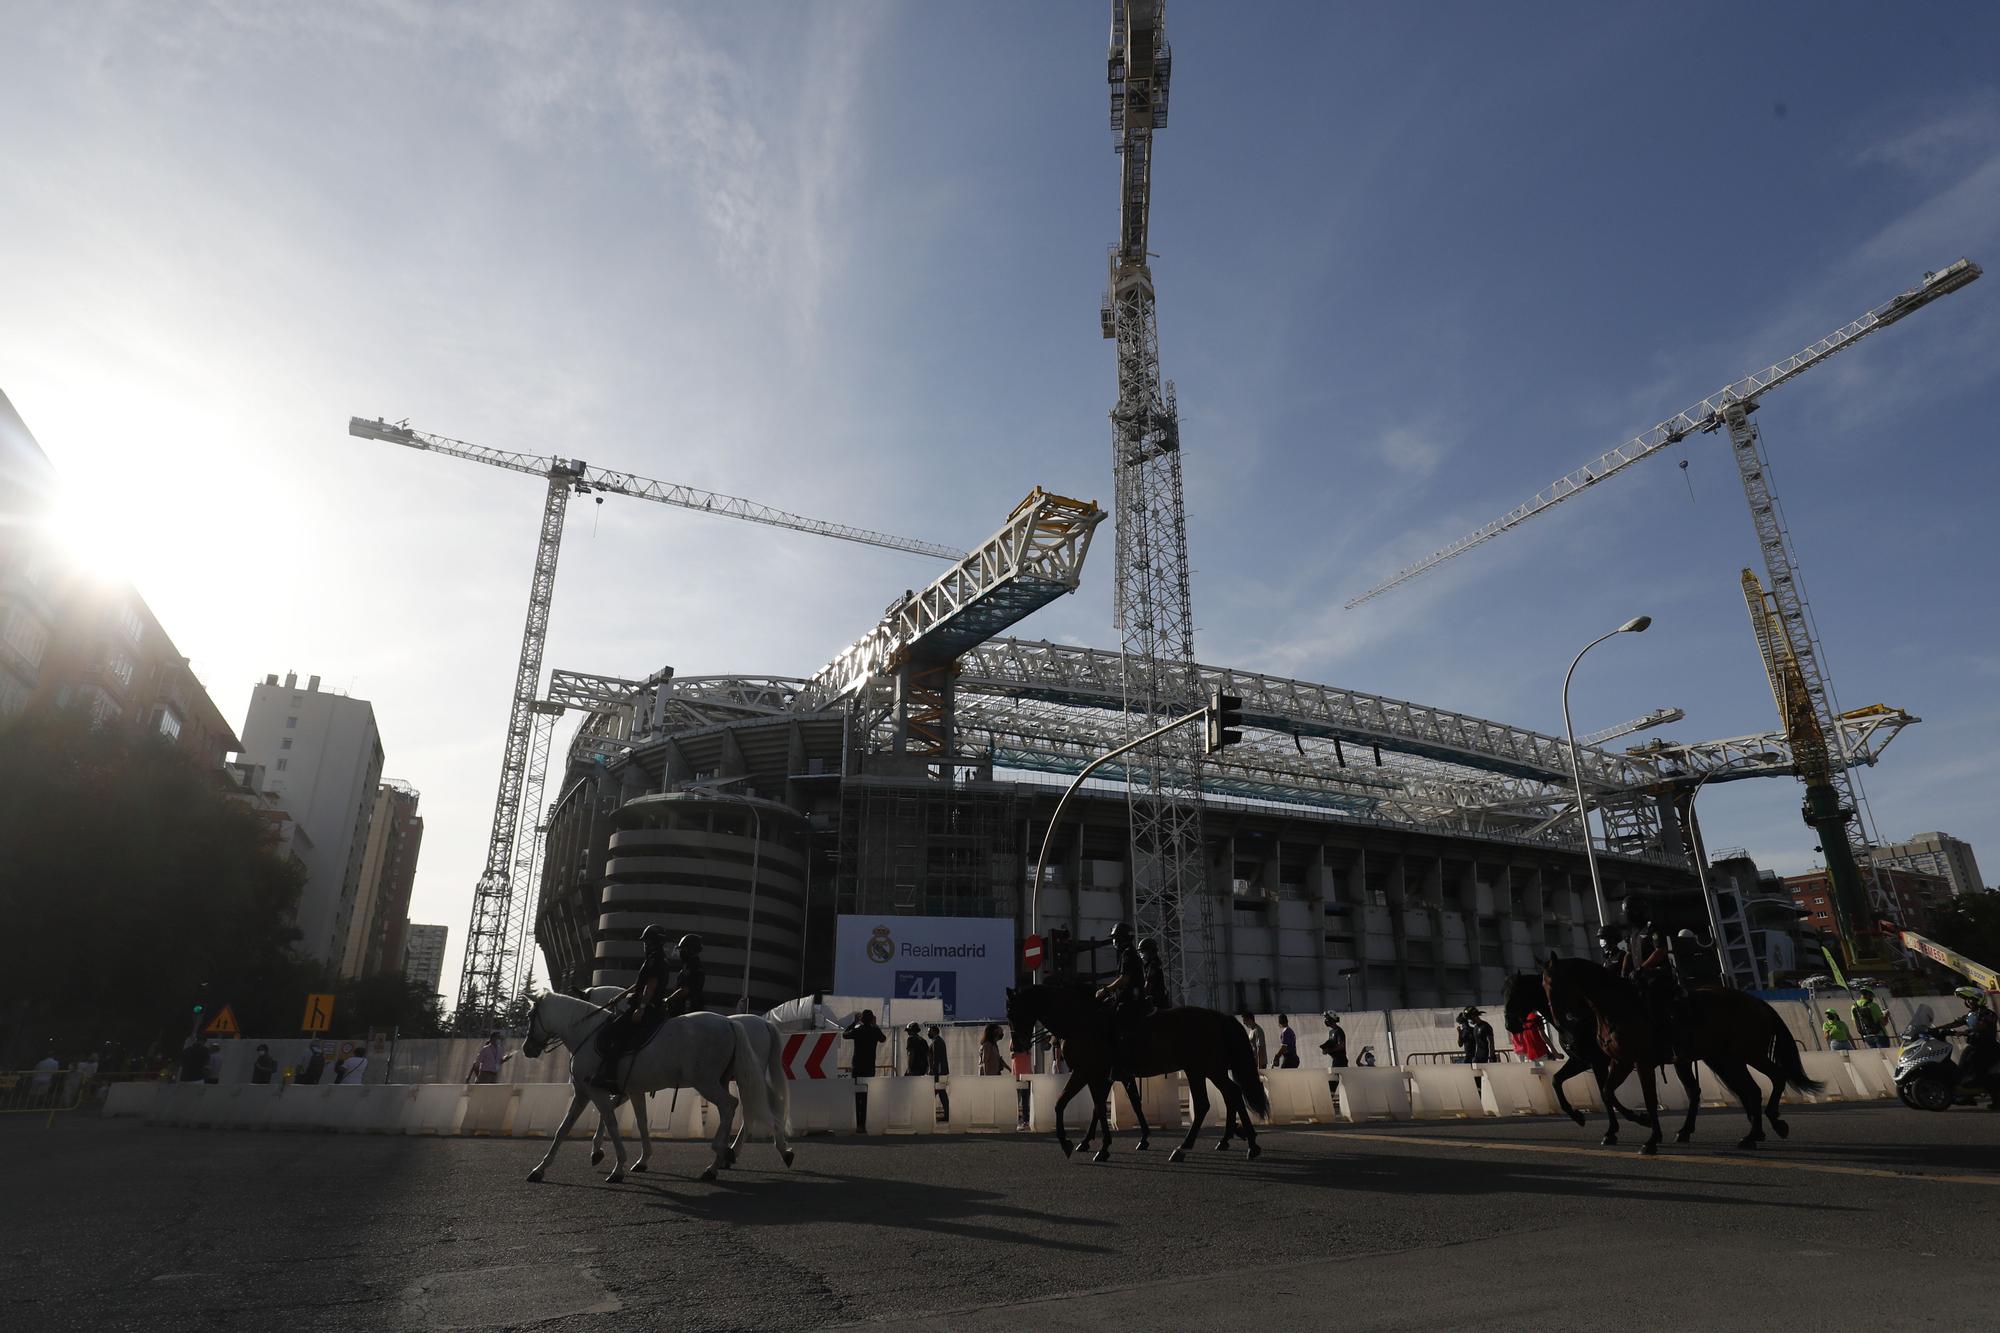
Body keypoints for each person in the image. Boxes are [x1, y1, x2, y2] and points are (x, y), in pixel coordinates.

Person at [592, 924, 676, 1092]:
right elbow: (640, 984)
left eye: (646, 941)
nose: (644, 945)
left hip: (647, 1008)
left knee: (612, 1032)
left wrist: (641, 1008)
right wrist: (620, 996)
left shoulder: (655, 959)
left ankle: (610, 1078)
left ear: (652, 942)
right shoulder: (656, 958)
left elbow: (651, 985)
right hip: (648, 1005)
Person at [1094, 923, 1148, 1068]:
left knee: (1115, 1023)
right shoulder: (1128, 953)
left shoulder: (1128, 953)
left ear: (1121, 939)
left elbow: (1125, 978)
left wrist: (1106, 990)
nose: (1113, 942)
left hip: (1131, 1000)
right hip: (1128, 997)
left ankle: (1121, 1059)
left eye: (1115, 938)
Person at [1935, 986, 1999, 1107]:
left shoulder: (1988, 1014)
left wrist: (1966, 1032)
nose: (1968, 1002)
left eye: (1971, 999)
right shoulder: (1970, 1015)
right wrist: (1935, 1029)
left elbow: (1982, 1026)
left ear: (1978, 999)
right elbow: (1955, 1022)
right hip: (1974, 1047)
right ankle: (1967, 1096)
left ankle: (1996, 1100)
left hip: (1988, 1048)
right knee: (1962, 1069)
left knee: (1980, 1071)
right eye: (1967, 1000)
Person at [845, 1011, 887, 1078]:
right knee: (869, 1086)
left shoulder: (857, 1030)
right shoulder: (875, 1031)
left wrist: (854, 1023)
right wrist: (875, 1025)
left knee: (856, 1086)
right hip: (870, 1066)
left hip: (857, 1065)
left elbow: (845, 1035)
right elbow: (883, 1039)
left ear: (862, 1019)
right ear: (872, 1019)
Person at [1138, 938, 1172, 1011]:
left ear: (1150, 952)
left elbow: (1148, 985)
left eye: (1143, 952)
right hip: (1159, 999)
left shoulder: (1153, 966)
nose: (1142, 955)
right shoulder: (1151, 964)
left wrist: (1139, 994)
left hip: (1156, 1001)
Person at [928, 1025, 950, 1122]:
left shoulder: (936, 1042)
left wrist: (933, 1071)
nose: (928, 1033)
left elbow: (936, 1059)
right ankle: (947, 1114)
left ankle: (930, 1115)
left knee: (937, 1093)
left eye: (929, 1031)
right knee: (941, 1093)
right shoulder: (939, 1041)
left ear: (934, 1031)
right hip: (941, 1072)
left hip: (938, 1073)